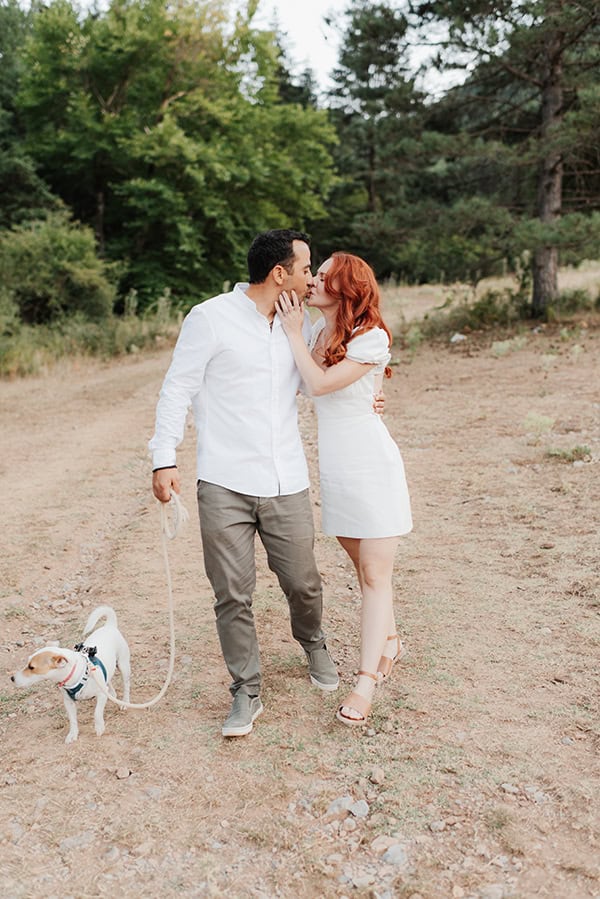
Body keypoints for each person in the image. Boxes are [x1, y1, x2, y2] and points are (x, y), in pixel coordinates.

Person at [149, 230, 340, 738]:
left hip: (286, 481)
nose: (311, 277)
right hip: (224, 482)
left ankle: (314, 642)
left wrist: (370, 396)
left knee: (303, 582)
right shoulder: (209, 318)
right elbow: (177, 390)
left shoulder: (296, 325)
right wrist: (162, 458)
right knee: (231, 593)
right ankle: (246, 690)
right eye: (305, 269)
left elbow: (318, 384)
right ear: (280, 273)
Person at [276, 252, 413, 727]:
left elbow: (317, 383)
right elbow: (296, 386)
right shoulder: (318, 332)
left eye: (322, 275)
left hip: (372, 466)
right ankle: (391, 642)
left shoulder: (371, 337)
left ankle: (365, 683)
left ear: (346, 287)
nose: (311, 280)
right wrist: (297, 333)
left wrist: (294, 335)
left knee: (374, 575)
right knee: (364, 569)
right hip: (337, 471)